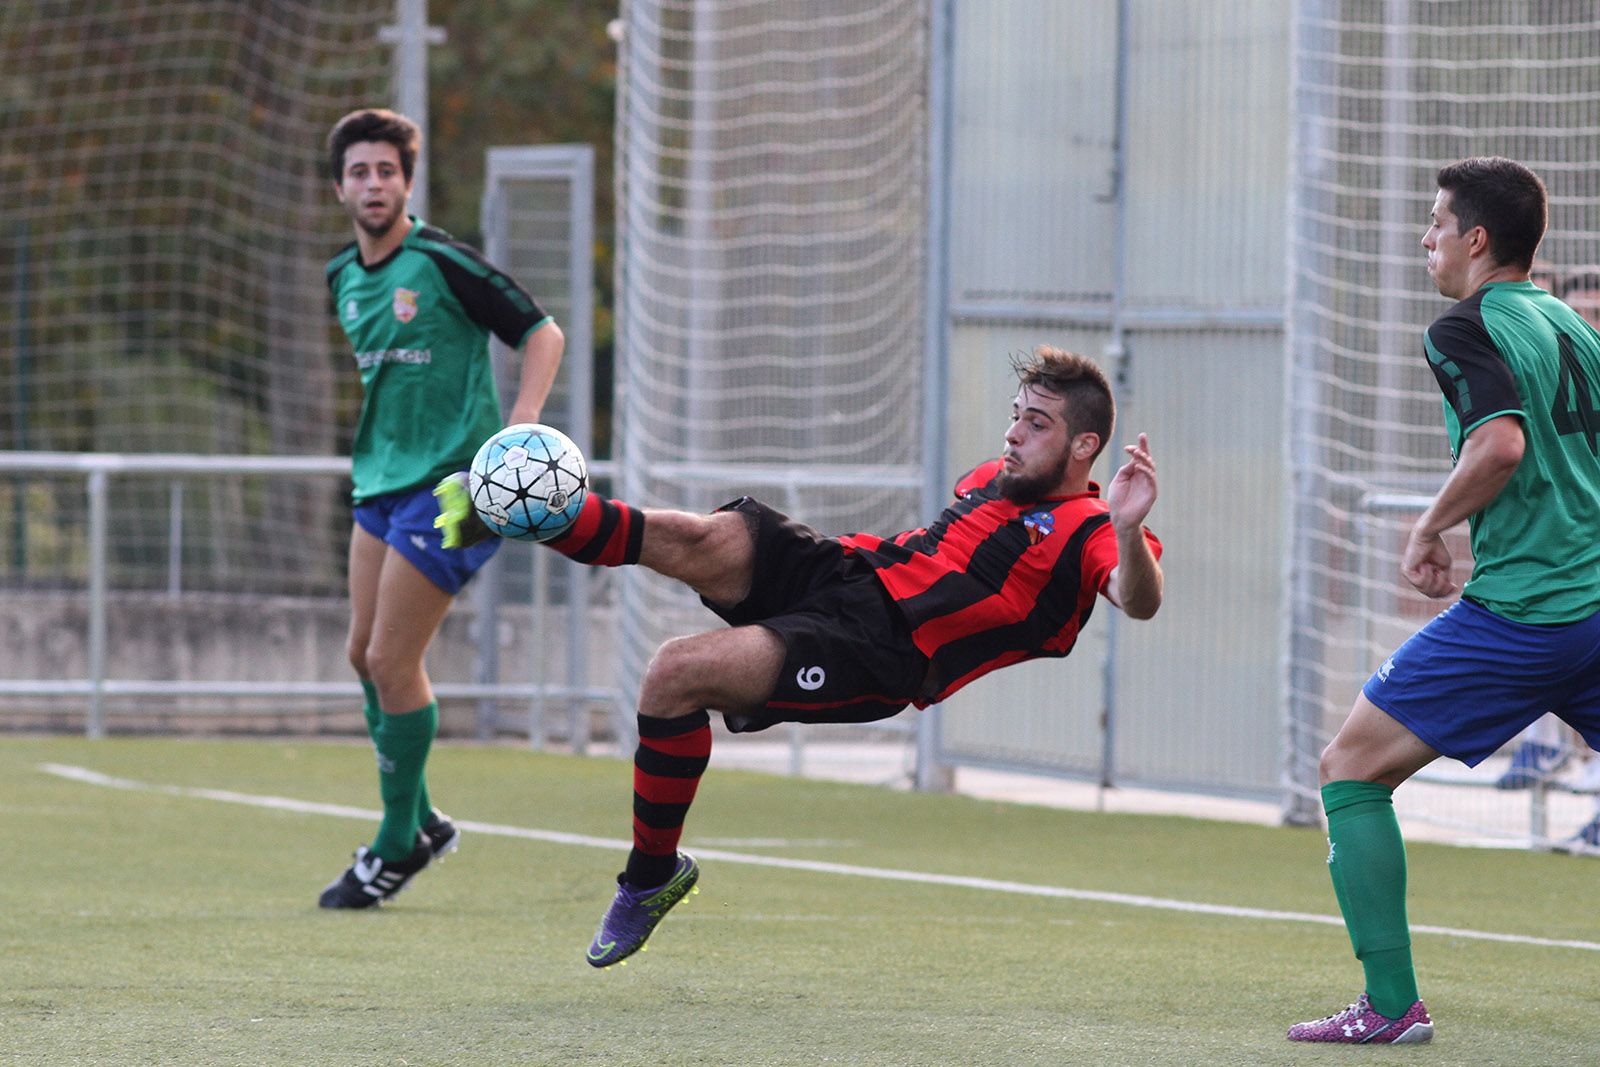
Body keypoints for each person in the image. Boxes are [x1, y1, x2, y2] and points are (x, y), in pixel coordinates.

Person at [435, 345, 1163, 966]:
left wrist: (1129, 530)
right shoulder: (987, 478)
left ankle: (649, 876)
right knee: (701, 536)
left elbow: (1139, 599)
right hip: (850, 571)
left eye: (1036, 424)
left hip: (884, 648)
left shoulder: (1095, 527)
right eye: (1015, 414)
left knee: (673, 674)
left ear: (1084, 446)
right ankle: (516, 510)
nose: (1013, 433)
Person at [1287, 157, 1600, 1044]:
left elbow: (1499, 446)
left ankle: (1390, 1006)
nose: (1425, 237)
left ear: (1477, 239)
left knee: (1351, 767)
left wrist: (1428, 527)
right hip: (1592, 605)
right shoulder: (1573, 326)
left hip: (1525, 612)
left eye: (1435, 222)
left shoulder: (1464, 327)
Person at [318, 108, 565, 908]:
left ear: (408, 182)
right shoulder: (341, 277)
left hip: (457, 485)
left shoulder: (443, 261)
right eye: (360, 172)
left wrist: (521, 422)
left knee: (392, 661)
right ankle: (421, 818)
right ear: (339, 187)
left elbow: (543, 332)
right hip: (380, 483)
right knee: (364, 656)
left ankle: (396, 846)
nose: (374, 184)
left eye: (387, 171)